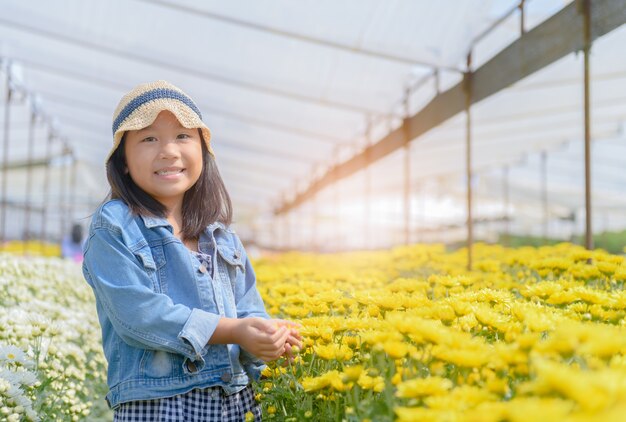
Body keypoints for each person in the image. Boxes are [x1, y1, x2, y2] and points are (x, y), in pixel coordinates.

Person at [82, 80, 301, 421]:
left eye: (183, 136)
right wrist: (233, 331)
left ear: (203, 150)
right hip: (157, 405)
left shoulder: (224, 239)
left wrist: (268, 338)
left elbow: (247, 312)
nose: (168, 151)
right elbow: (138, 315)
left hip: (236, 401)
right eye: (148, 138)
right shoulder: (114, 226)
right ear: (122, 160)